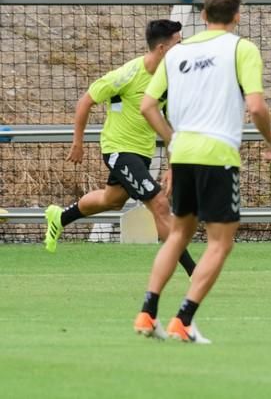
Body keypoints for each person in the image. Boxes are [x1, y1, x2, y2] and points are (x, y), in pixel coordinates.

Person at [133, 0, 271, 343]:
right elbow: (256, 107)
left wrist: (173, 140)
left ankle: (147, 313)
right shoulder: (242, 48)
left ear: (202, 15)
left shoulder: (176, 54)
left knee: (179, 234)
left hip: (182, 153)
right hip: (217, 154)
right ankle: (183, 319)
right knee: (220, 243)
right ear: (237, 15)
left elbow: (148, 106)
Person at [43, 19, 197, 278]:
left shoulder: (170, 80)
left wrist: (172, 166)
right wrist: (78, 143)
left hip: (141, 153)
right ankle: (194, 272)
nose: (182, 48)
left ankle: (59, 217)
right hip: (118, 150)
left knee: (111, 200)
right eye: (178, 43)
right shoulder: (127, 74)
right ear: (162, 48)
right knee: (159, 203)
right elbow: (85, 101)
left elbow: (170, 126)